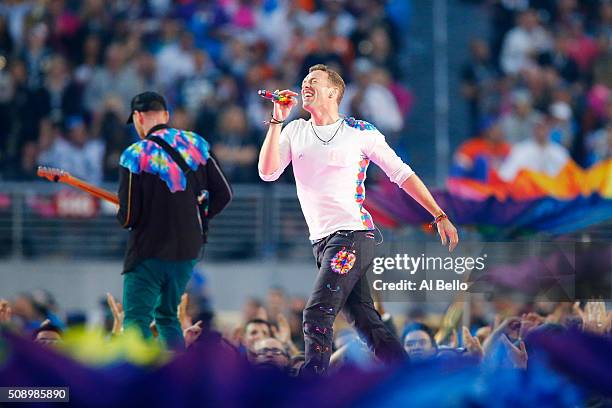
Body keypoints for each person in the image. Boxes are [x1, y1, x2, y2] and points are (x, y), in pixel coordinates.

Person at [257, 64, 459, 375]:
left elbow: (402, 175)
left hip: (352, 235)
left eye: (314, 81)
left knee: (316, 312)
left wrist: (439, 214)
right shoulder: (294, 130)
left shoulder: (360, 132)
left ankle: (312, 388)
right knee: (366, 322)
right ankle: (410, 377)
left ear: (333, 92)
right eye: (304, 80)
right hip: (321, 242)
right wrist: (276, 121)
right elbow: (268, 173)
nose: (305, 85)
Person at [117, 91, 232, 349]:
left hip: (149, 251)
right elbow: (224, 194)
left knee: (136, 319)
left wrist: (123, 209)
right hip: (187, 252)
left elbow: (128, 217)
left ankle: (144, 380)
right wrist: (198, 216)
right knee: (168, 317)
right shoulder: (195, 144)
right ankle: (177, 378)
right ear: (166, 116)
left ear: (137, 118)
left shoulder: (135, 155)